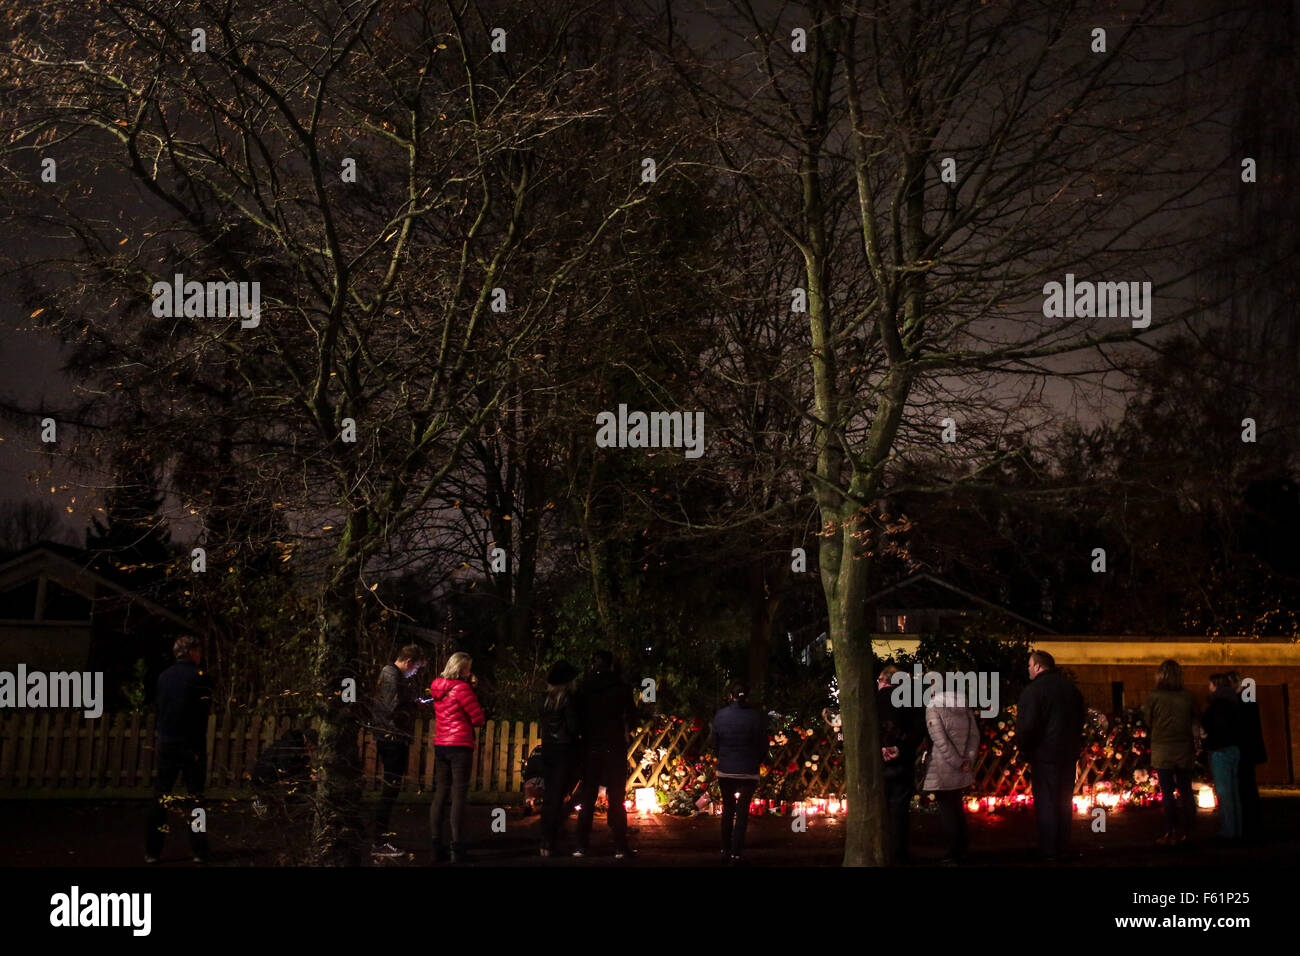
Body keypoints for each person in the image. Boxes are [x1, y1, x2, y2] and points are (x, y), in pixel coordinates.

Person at [145, 635, 213, 864]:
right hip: (190, 745)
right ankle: (199, 849)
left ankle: (153, 851)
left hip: (166, 742)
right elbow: (200, 715)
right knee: (196, 799)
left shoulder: (163, 677)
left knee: (161, 797)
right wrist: (195, 747)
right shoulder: (199, 677)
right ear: (192, 652)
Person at [1016, 649, 1085, 863]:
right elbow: (1080, 719)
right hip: (1068, 753)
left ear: (1038, 666)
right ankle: (1062, 845)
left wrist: (1025, 750)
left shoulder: (1034, 691)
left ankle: (1049, 848)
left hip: (1044, 755)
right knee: (1064, 801)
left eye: (1030, 665)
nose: (1028, 669)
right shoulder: (1071, 689)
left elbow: (1027, 727)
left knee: (1046, 801)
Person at [572, 650, 637, 860]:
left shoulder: (584, 687)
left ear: (594, 664)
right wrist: (629, 730)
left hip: (591, 745)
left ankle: (581, 845)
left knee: (588, 796)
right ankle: (619, 845)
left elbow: (577, 715)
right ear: (610, 665)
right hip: (614, 745)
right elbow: (632, 714)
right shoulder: (621, 687)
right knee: (616, 797)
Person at [369, 644, 428, 858]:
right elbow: (390, 706)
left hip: (393, 736)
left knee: (392, 788)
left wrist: (412, 702)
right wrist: (414, 705)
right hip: (391, 737)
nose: (415, 673)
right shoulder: (391, 674)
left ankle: (380, 838)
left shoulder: (393, 676)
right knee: (390, 788)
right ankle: (378, 841)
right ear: (409, 662)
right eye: (416, 668)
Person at [428, 651, 486, 863]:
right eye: (468, 668)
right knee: (459, 795)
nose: (471, 672)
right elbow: (478, 719)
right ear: (462, 669)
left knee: (441, 793)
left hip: (441, 744)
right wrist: (472, 688)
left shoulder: (436, 686)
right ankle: (457, 847)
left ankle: (436, 845)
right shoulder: (462, 689)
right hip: (460, 745)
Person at [707, 681, 767, 865]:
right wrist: (757, 760)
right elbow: (764, 745)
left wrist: (722, 756)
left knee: (728, 808)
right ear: (747, 697)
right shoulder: (756, 717)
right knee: (742, 812)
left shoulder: (720, 715)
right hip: (748, 770)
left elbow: (713, 743)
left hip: (725, 770)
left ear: (731, 696)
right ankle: (736, 852)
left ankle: (724, 848)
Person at [1143, 659, 1200, 846]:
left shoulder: (1154, 696)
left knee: (1167, 792)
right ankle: (1189, 831)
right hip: (1183, 748)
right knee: (1186, 790)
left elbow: (1148, 720)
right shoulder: (1188, 696)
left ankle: (1170, 831)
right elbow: (1195, 721)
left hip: (1163, 749)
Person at [922, 684, 980, 864]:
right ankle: (963, 848)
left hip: (942, 766)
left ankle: (954, 851)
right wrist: (967, 761)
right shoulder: (964, 705)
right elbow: (974, 736)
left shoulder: (933, 706)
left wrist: (956, 762)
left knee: (948, 809)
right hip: (962, 765)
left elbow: (939, 740)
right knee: (956, 807)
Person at [877, 664, 923, 863]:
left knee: (879, 808)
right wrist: (901, 748)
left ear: (884, 681)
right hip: (903, 761)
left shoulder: (873, 700)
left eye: (878, 680)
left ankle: (881, 848)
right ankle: (899, 852)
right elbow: (918, 730)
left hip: (879, 763)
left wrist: (881, 748)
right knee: (900, 810)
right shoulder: (910, 700)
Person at [538, 660, 581, 856]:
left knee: (549, 796)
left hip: (548, 749)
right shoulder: (569, 700)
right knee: (559, 796)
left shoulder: (546, 700)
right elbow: (573, 727)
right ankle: (551, 839)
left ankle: (545, 839)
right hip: (564, 751)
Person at [1202, 673, 1242, 841]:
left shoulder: (1216, 706)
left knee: (1224, 793)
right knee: (1234, 793)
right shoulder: (1234, 703)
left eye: (1210, 685)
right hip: (1234, 749)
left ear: (1216, 686)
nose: (1208, 688)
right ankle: (1237, 829)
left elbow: (1210, 726)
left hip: (1220, 750)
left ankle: (1228, 831)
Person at [1226, 671, 1266, 842]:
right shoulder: (1248, 699)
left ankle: (1250, 827)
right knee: (1248, 787)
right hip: (1249, 750)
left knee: (1246, 788)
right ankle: (1253, 826)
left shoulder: (1242, 701)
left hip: (1244, 751)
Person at [251, 727, 318, 822]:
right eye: (311, 747)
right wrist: (308, 776)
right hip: (265, 777)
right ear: (307, 741)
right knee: (286, 791)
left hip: (270, 776)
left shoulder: (295, 746)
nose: (311, 751)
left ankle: (274, 811)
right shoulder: (288, 747)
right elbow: (286, 769)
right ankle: (262, 807)